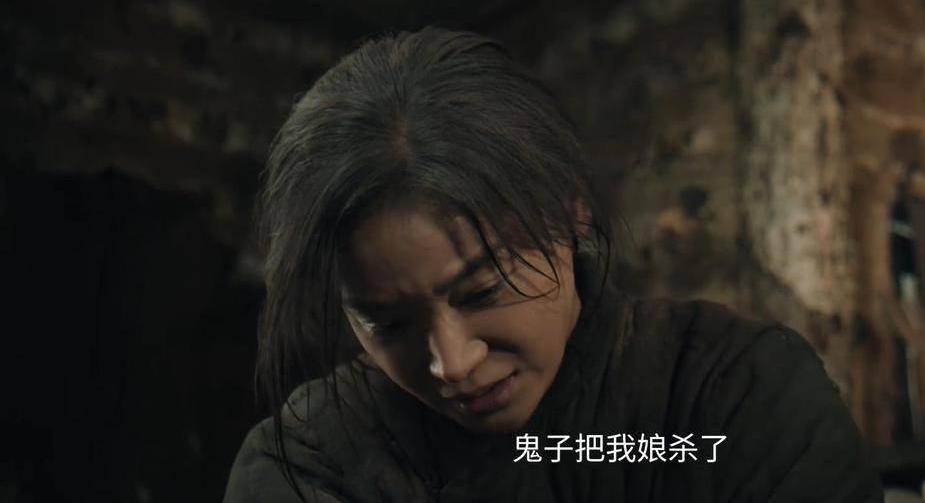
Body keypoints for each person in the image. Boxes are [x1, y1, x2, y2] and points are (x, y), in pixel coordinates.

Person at [224, 27, 882, 502]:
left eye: (482, 290)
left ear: (570, 216)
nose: (451, 364)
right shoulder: (311, 461)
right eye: (388, 325)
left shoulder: (733, 397)